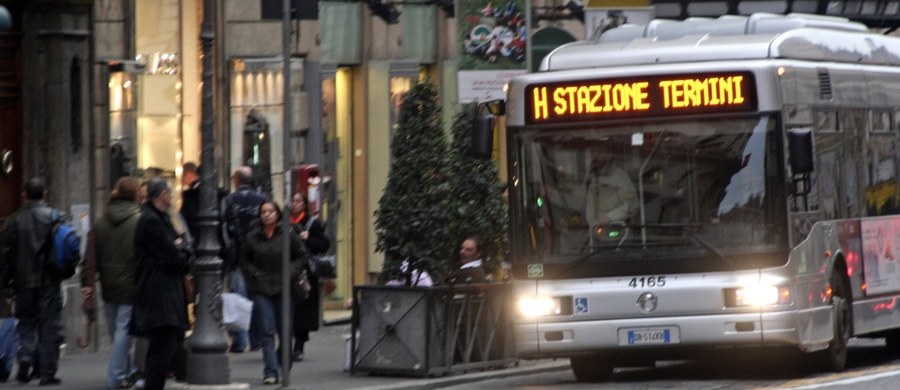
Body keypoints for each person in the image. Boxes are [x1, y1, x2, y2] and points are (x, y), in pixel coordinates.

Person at [0, 178, 69, 385]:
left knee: (26, 324)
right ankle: (47, 374)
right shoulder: (55, 217)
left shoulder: (13, 221)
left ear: (24, 195)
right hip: (49, 281)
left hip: (23, 283)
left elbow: (5, 256)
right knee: (49, 327)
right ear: (45, 194)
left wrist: (6, 283)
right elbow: (64, 247)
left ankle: (25, 359)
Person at [81, 177, 142, 390]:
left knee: (117, 331)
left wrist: (86, 282)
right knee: (124, 332)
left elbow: (89, 256)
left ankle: (126, 372)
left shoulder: (100, 221)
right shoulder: (138, 220)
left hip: (107, 284)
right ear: (135, 195)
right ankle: (116, 377)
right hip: (130, 283)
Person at [132, 178, 191, 390]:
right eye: (169, 193)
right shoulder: (151, 221)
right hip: (159, 294)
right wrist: (180, 248)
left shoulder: (160, 218)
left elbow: (181, 247)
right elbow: (177, 255)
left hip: (164, 292)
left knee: (166, 345)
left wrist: (180, 247)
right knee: (161, 349)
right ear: (161, 196)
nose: (172, 197)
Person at [240, 200, 307, 384]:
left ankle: (283, 364)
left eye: (270, 211)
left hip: (285, 288)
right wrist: (254, 274)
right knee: (267, 331)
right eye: (263, 212)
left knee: (285, 330)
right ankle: (270, 372)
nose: (267, 214)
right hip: (262, 289)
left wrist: (290, 272)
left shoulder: (288, 233)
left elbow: (302, 255)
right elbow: (244, 261)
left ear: (277, 214)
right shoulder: (252, 237)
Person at [220, 166, 267, 353]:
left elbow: (226, 229)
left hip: (237, 257)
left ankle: (240, 340)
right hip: (259, 256)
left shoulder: (230, 200)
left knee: (239, 298)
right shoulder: (262, 200)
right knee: (256, 298)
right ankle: (256, 340)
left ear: (237, 180)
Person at [288, 192, 329, 362]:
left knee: (302, 312)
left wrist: (308, 238)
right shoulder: (285, 222)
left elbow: (324, 245)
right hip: (285, 271)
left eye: (298, 201)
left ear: (304, 204)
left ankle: (299, 345)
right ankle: (285, 345)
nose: (294, 204)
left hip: (304, 274)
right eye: (292, 201)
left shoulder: (311, 223)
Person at [584, 148, 637, 227]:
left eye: (599, 151)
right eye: (593, 152)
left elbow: (632, 205)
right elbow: (580, 203)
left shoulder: (619, 177)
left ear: (609, 154)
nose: (595, 155)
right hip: (593, 232)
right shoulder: (589, 178)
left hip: (616, 231)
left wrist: (610, 217)